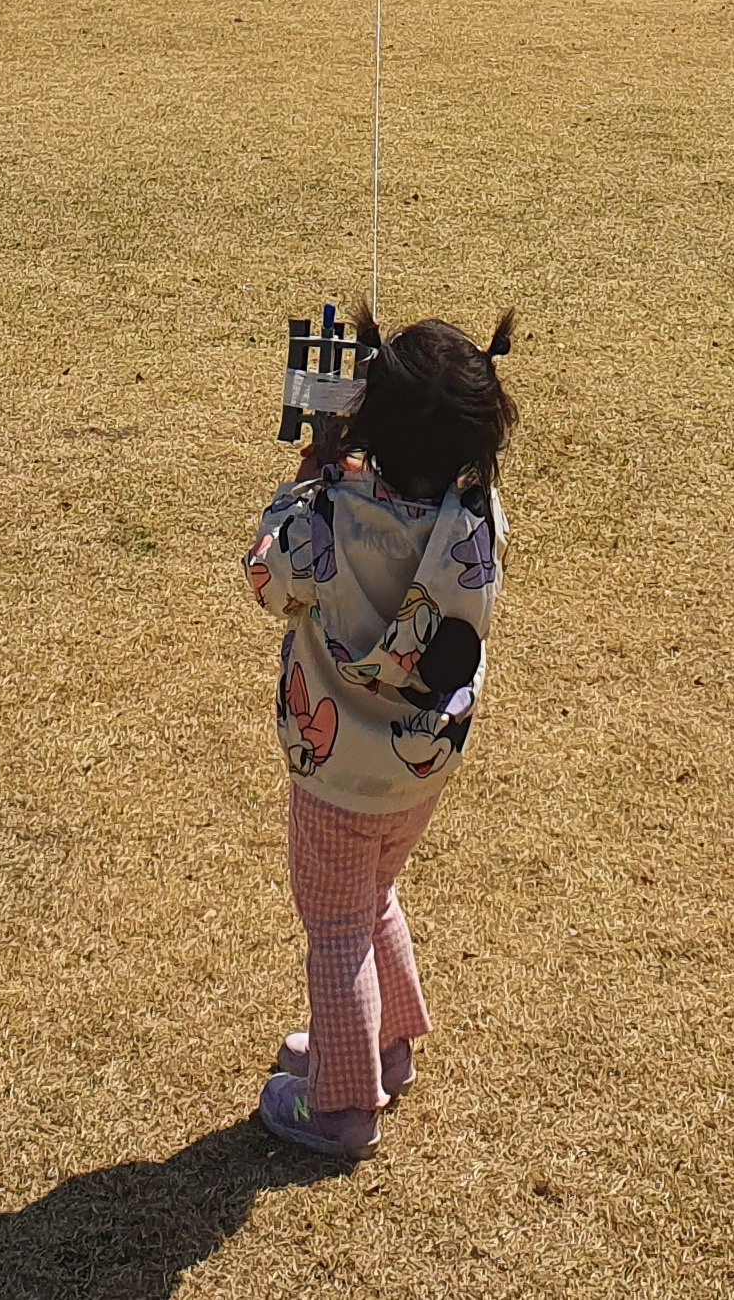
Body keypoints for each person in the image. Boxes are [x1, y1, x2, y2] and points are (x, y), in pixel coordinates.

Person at [245, 308, 513, 1160]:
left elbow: (268, 578)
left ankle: (342, 1104)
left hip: (336, 773)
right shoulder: (478, 519)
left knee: (334, 929)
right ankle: (383, 1043)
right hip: (419, 768)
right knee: (371, 898)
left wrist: (305, 481)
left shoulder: (330, 516)